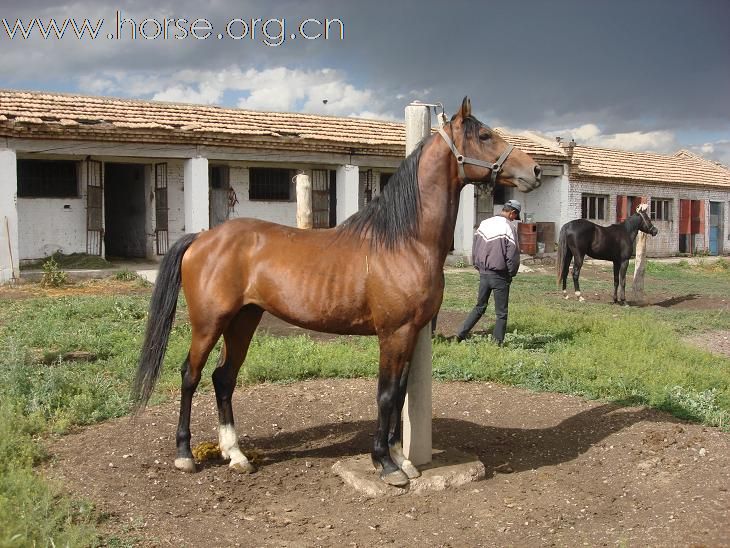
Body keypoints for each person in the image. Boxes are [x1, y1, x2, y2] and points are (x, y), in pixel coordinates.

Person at [456, 199, 522, 345]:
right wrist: (511, 273)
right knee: (501, 313)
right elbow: (512, 254)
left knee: (480, 307)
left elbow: (475, 247)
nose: (514, 219)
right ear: (512, 213)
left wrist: (478, 266)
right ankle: (497, 344)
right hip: (500, 275)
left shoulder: (484, 223)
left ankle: (460, 335)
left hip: (484, 274)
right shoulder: (509, 227)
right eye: (514, 216)